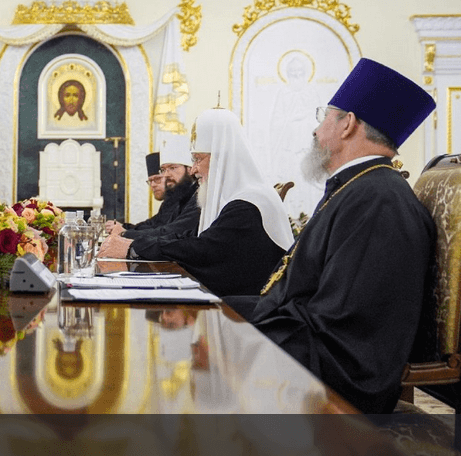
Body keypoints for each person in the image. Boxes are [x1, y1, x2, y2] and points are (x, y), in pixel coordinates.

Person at [232, 58, 437, 414]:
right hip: (314, 344)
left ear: (347, 124)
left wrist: (246, 332)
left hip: (341, 378)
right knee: (212, 317)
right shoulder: (358, 188)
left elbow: (343, 327)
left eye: (324, 116)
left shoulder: (378, 201)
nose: (315, 131)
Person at [99, 108, 294, 297]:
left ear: (221, 157)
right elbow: (186, 238)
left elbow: (203, 250)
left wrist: (134, 247)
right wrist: (133, 243)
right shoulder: (231, 197)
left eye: (198, 159)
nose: (193, 170)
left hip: (254, 309)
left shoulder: (250, 202)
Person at [106, 137, 201, 241]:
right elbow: (155, 225)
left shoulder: (198, 197)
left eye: (172, 168)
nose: (166, 175)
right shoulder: (180, 196)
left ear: (190, 169)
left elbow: (172, 231)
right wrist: (124, 229)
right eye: (163, 170)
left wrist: (125, 233)